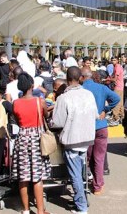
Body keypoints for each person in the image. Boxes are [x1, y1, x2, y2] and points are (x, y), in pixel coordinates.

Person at [52, 66, 98, 213]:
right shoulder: (89, 95)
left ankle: (81, 206)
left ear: (67, 79)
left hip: (72, 140)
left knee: (75, 175)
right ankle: (82, 199)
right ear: (80, 78)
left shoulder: (63, 98)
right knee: (81, 173)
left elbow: (57, 122)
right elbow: (95, 115)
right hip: (87, 138)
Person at [12, 72, 51, 214]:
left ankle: (26, 209)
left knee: (23, 176)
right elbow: (46, 115)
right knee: (37, 176)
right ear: (32, 85)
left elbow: (17, 120)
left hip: (22, 138)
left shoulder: (15, 103)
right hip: (36, 139)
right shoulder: (39, 101)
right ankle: (41, 211)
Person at [81, 67, 120, 195]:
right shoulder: (101, 88)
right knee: (99, 158)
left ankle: (90, 181)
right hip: (101, 126)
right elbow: (116, 98)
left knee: (88, 157)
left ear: (81, 77)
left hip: (86, 127)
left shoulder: (81, 90)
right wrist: (106, 109)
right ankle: (98, 186)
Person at [109, 56, 124, 126]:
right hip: (120, 87)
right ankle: (121, 117)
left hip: (118, 87)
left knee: (116, 102)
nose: (113, 61)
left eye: (114, 60)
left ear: (117, 60)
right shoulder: (116, 66)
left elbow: (115, 78)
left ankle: (115, 118)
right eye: (112, 60)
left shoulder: (117, 67)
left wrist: (107, 80)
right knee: (120, 103)